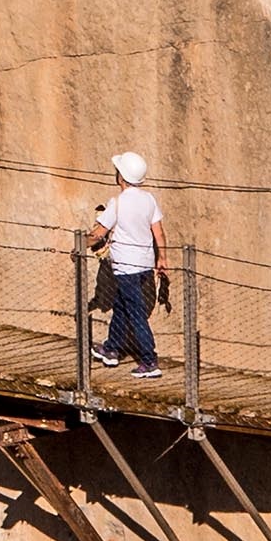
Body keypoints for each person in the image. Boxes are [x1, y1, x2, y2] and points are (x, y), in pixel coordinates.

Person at [87, 151, 165, 379]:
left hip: (126, 268)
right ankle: (112, 349)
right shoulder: (149, 199)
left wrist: (79, 244)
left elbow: (98, 233)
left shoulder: (118, 203)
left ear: (121, 176)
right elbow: (159, 232)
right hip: (144, 266)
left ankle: (149, 361)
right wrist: (163, 259)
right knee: (120, 307)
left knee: (135, 313)